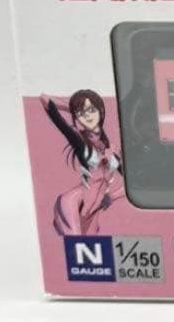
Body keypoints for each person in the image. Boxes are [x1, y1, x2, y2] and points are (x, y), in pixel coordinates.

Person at [40, 91, 124, 236]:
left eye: (91, 110)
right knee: (76, 244)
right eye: (81, 113)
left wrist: (113, 196)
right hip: (73, 203)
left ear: (101, 111)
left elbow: (135, 183)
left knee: (90, 249)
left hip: (93, 213)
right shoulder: (79, 141)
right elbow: (44, 99)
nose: (87, 116)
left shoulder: (113, 149)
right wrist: (73, 108)